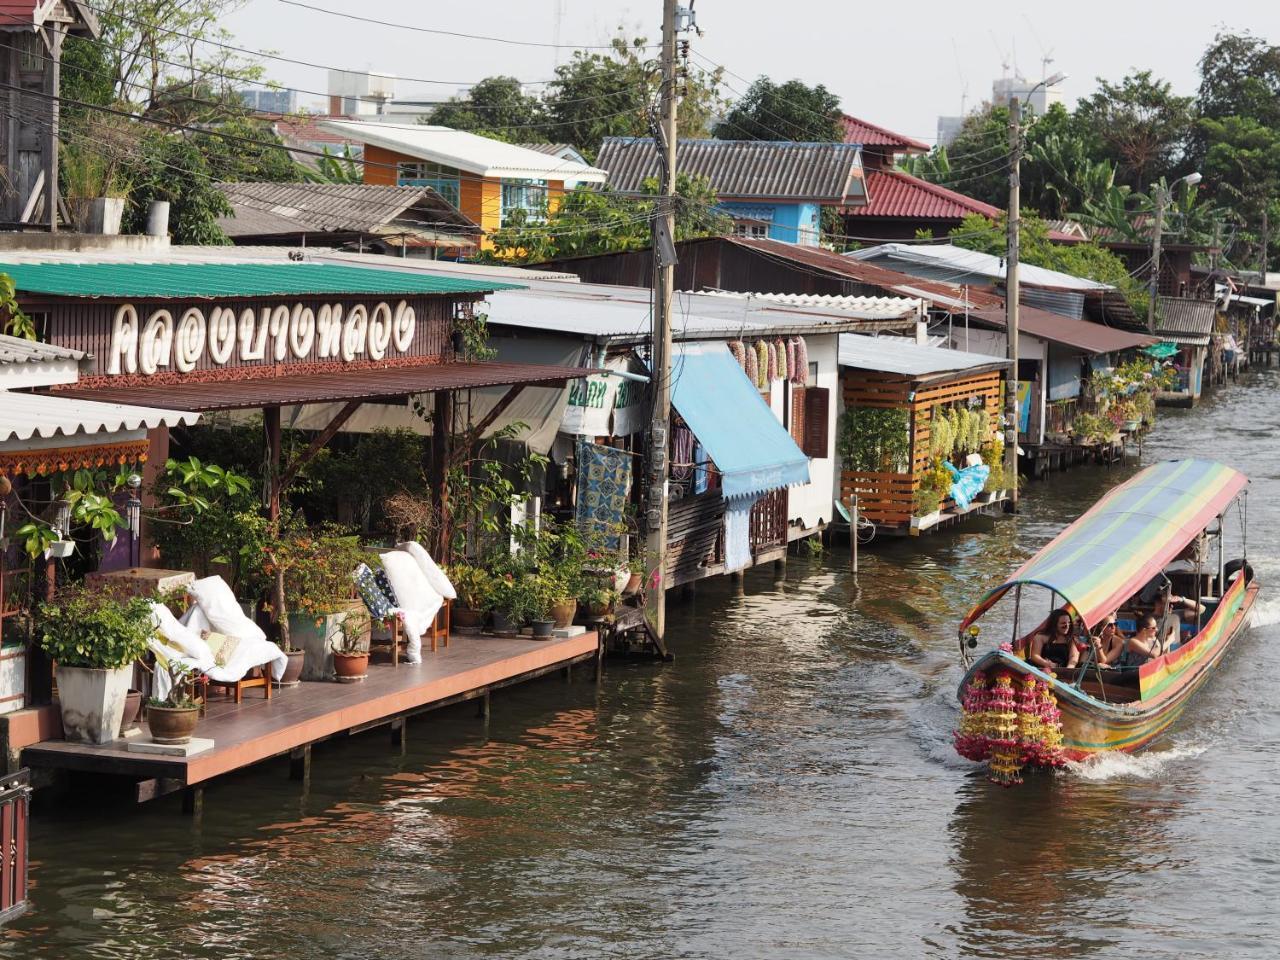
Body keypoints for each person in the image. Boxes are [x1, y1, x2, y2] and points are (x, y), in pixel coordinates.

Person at [1099, 616, 1165, 667]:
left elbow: (1159, 655)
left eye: (1115, 624)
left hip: (1143, 674)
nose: (1157, 629)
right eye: (1153, 628)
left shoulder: (1153, 639)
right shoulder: (1133, 641)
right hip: (1131, 675)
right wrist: (1169, 641)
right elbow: (1154, 654)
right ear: (1144, 630)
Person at [1029, 608, 1080, 673]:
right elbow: (1035, 656)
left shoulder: (1070, 638)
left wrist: (1068, 670)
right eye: (1063, 623)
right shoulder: (1040, 636)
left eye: (1069, 623)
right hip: (1042, 668)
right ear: (1054, 624)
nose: (1067, 626)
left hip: (1063, 670)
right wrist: (1047, 664)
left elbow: (1074, 656)